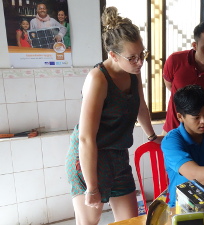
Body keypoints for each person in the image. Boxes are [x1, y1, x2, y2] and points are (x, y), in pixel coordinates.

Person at [65, 7, 162, 225]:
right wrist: (92, 187)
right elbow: (86, 138)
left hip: (118, 157)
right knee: (90, 221)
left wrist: (151, 136)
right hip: (90, 159)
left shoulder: (133, 72)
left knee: (131, 221)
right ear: (113, 55)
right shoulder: (98, 79)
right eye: (133, 57)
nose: (140, 62)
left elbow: (141, 107)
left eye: (142, 54)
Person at [162, 20, 204, 134]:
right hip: (173, 128)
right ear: (195, 45)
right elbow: (170, 87)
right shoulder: (175, 61)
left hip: (202, 133)